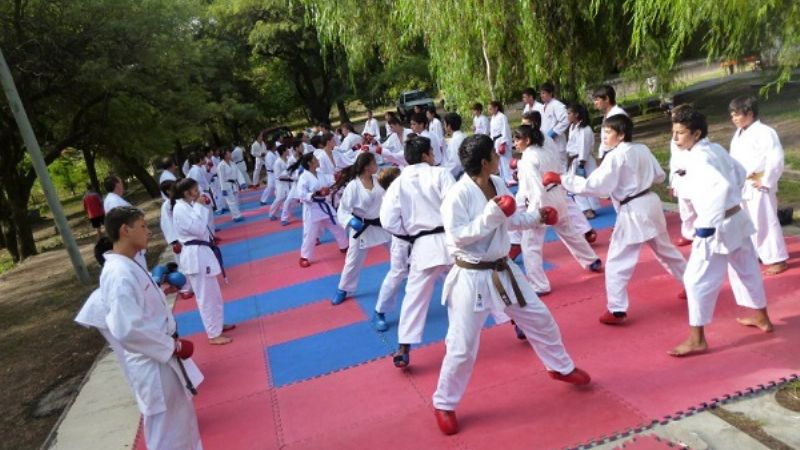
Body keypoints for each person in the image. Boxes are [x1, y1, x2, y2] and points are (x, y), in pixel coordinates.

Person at [431, 134, 590, 436]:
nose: (498, 156)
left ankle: (559, 366)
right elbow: (457, 237)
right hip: (471, 276)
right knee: (462, 346)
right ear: (484, 161)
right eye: (493, 153)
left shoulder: (499, 184)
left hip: (504, 269)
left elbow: (512, 219)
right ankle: (444, 403)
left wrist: (538, 217)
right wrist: (492, 215)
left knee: (541, 318)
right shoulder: (457, 196)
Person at [555, 114, 687, 325]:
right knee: (666, 250)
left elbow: (595, 186)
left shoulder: (616, 156)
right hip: (651, 203)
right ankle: (693, 286)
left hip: (633, 209)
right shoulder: (642, 149)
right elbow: (659, 176)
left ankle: (616, 309)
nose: (604, 135)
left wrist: (562, 179)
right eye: (603, 131)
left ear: (622, 134)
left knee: (618, 260)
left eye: (609, 132)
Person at [667, 107, 773, 356]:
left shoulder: (699, 158)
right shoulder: (713, 148)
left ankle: (697, 339)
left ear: (696, 132)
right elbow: (738, 173)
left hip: (716, 226)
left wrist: (706, 225)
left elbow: (723, 186)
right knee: (747, 270)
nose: (675, 138)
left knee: (694, 280)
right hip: (736, 218)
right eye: (673, 132)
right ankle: (762, 318)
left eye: (680, 133)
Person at [99, 206, 203, 450]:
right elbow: (127, 329)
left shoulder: (129, 264)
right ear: (125, 230)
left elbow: (139, 311)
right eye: (143, 226)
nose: (149, 232)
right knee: (166, 434)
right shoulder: (119, 273)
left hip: (161, 358)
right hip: (153, 364)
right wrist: (172, 346)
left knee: (182, 425)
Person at [380, 136, 455, 368]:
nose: (434, 155)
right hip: (451, 241)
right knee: (480, 279)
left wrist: (410, 233)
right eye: (431, 151)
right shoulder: (440, 173)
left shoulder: (397, 184)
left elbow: (388, 221)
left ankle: (404, 347)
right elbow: (455, 205)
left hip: (423, 245)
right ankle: (515, 322)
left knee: (414, 296)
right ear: (425, 155)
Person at [514, 124, 601, 296]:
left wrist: (538, 211)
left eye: (517, 139)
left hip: (541, 202)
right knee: (569, 231)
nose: (514, 143)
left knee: (530, 245)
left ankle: (539, 285)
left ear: (528, 140)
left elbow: (535, 186)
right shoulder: (547, 151)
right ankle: (591, 260)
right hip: (558, 197)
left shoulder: (527, 160)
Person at [728, 95, 789, 276]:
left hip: (759, 183)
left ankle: (777, 258)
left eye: (738, 114)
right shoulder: (738, 135)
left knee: (765, 220)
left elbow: (775, 158)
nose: (734, 118)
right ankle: (759, 253)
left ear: (750, 113)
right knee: (749, 222)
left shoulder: (765, 132)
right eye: (732, 115)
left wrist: (767, 180)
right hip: (743, 185)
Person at [172, 178, 234, 345]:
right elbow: (199, 229)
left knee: (214, 293)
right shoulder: (179, 209)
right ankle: (213, 334)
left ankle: (218, 325)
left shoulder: (187, 206)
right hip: (195, 255)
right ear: (186, 193)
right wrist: (200, 205)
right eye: (194, 189)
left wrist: (199, 205)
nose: (198, 192)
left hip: (201, 252)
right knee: (206, 296)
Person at [332, 153, 391, 304]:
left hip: (380, 224)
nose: (377, 165)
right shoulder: (353, 186)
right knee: (352, 259)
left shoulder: (378, 179)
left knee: (400, 248)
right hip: (361, 227)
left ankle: (410, 273)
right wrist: (351, 221)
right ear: (366, 167)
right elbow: (343, 210)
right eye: (373, 163)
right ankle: (343, 289)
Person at [294, 153, 349, 267]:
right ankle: (305, 257)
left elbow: (330, 181)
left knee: (338, 226)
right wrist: (315, 194)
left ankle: (344, 246)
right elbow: (301, 194)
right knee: (310, 234)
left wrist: (338, 177)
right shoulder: (304, 177)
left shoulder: (320, 174)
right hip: (312, 209)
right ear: (310, 163)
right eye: (315, 159)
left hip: (325, 207)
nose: (317, 160)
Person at [372, 167, 406, 332]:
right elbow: (390, 225)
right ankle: (380, 311)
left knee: (444, 268)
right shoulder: (389, 201)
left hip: (423, 241)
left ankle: (461, 302)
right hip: (403, 243)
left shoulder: (407, 194)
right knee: (396, 275)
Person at [668, 105, 698, 246]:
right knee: (685, 210)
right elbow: (674, 162)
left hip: (693, 176)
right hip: (680, 178)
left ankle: (701, 232)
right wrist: (672, 182)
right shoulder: (674, 139)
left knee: (698, 207)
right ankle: (689, 233)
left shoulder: (694, 137)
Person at [566, 103, 601, 218]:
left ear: (576, 114)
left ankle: (589, 209)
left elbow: (584, 147)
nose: (567, 116)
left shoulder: (585, 129)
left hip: (583, 160)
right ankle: (586, 208)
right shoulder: (572, 127)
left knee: (587, 184)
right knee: (576, 185)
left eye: (569, 113)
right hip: (574, 159)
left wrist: (581, 163)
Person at [539, 82, 570, 170]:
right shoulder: (543, 107)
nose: (542, 95)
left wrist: (554, 132)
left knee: (561, 167)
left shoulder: (557, 105)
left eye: (544, 93)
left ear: (551, 93)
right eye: (541, 93)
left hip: (557, 141)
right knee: (550, 167)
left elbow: (565, 120)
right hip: (546, 142)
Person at [592, 85, 628, 159]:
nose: (595, 103)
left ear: (607, 99)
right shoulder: (607, 115)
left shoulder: (618, 114)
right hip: (607, 154)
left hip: (616, 155)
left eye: (597, 99)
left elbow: (623, 139)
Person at [489, 101, 514, 185]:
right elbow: (492, 131)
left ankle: (510, 179)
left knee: (506, 160)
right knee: (499, 162)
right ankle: (503, 179)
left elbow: (505, 130)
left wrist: (503, 142)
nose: (490, 110)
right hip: (496, 140)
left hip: (502, 139)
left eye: (491, 108)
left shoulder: (502, 117)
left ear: (496, 108)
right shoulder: (493, 118)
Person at [218, 148, 247, 222]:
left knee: (236, 201)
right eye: (228, 153)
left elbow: (238, 173)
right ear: (224, 155)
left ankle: (235, 215)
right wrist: (223, 189)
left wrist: (242, 182)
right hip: (227, 185)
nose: (230, 154)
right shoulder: (221, 165)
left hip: (234, 184)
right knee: (231, 202)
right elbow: (221, 178)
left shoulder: (232, 163)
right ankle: (237, 216)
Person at [443, 112, 466, 178]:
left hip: (459, 174)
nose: (444, 127)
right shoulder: (464, 136)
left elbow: (456, 163)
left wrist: (446, 173)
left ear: (449, 126)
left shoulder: (454, 141)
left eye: (444, 124)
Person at [259, 141, 278, 205]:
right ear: (272, 147)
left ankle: (278, 197)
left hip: (276, 172)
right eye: (275, 145)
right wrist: (277, 169)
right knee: (270, 187)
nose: (276, 146)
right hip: (271, 173)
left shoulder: (275, 153)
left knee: (277, 185)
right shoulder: (269, 155)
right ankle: (262, 200)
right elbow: (270, 165)